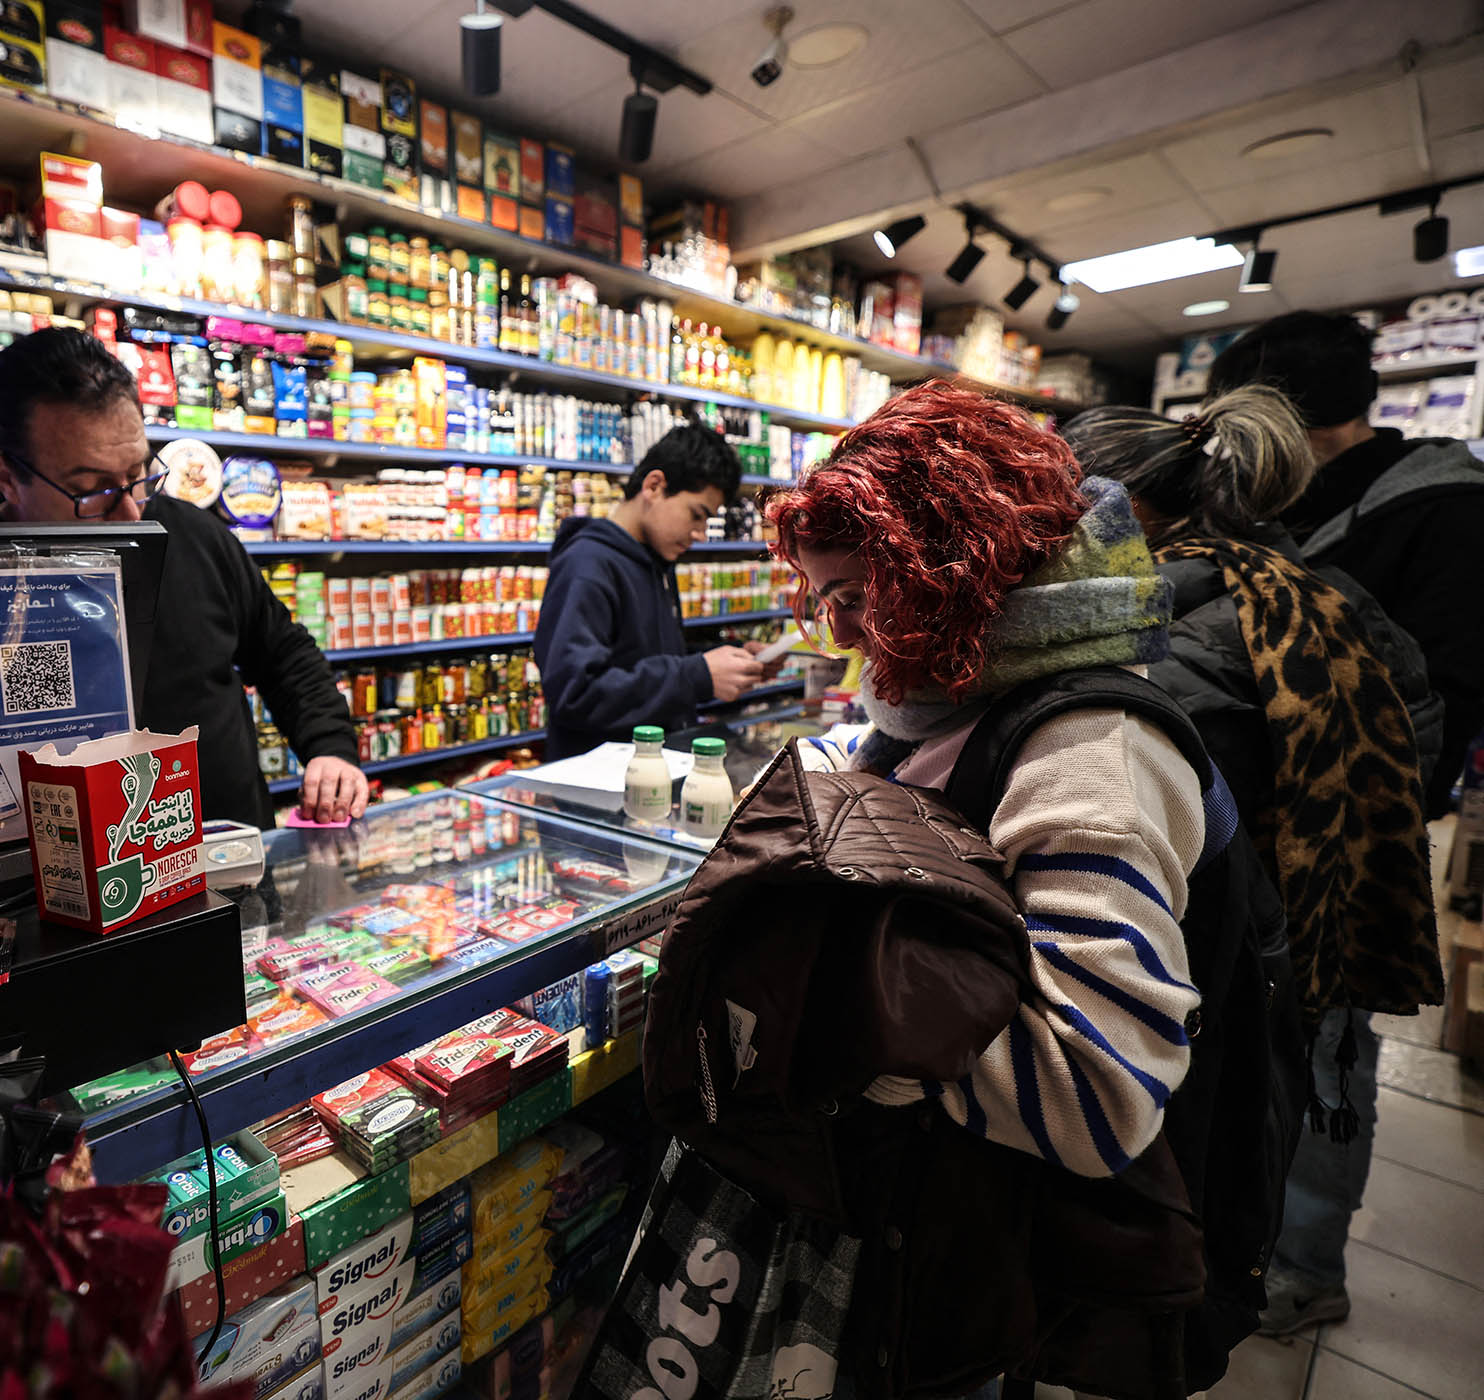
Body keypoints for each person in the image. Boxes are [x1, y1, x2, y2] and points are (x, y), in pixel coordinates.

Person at [777, 382, 1212, 1396]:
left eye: (855, 597)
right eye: (822, 599)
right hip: (920, 1218)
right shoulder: (973, 677)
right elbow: (918, 767)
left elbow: (1099, 1096)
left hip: (980, 1247)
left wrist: (862, 1025)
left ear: (952, 572)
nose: (840, 634)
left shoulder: (1090, 753)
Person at [1066, 387, 1444, 1339]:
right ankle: (1298, 1267)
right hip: (1336, 895)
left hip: (1252, 923)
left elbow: (1145, 789)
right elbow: (1415, 718)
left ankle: (1217, 1283)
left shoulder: (1166, 618)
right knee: (1319, 1074)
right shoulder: (1313, 580)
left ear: (1128, 506)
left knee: (1243, 1102)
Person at [0, 327, 367, 830]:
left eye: (137, 476)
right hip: (61, 869)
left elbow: (282, 651)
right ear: (3, 475)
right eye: (92, 490)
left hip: (229, 853)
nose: (131, 516)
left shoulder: (193, 533)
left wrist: (329, 747)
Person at [1205, 310, 1484, 812]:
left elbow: (1448, 692)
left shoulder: (1449, 510)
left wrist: (1393, 821)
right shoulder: (1272, 499)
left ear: (1281, 416)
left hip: (1360, 807)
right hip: (1256, 792)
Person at [534, 423, 766, 758]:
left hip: (652, 770)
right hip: (599, 781)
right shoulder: (586, 564)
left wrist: (732, 657)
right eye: (696, 515)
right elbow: (575, 693)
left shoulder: (655, 561)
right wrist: (697, 676)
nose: (700, 533)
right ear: (654, 486)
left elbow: (645, 655)